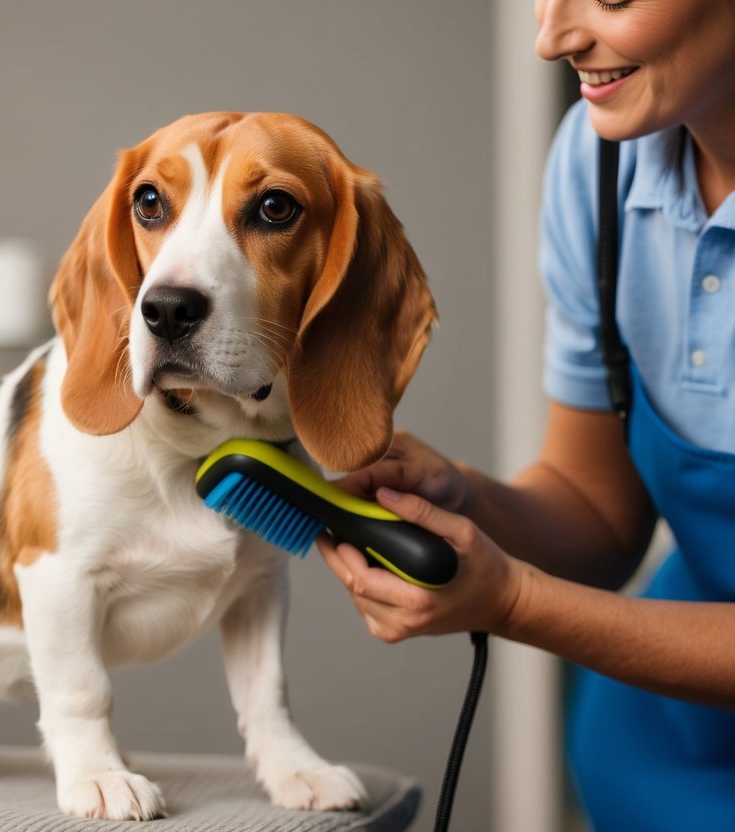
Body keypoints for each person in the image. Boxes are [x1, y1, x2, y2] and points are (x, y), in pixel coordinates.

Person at [317, 1, 735, 829]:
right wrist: (463, 498)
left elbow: (529, 597)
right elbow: (596, 510)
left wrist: (511, 603)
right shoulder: (598, 162)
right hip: (660, 732)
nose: (553, 39)